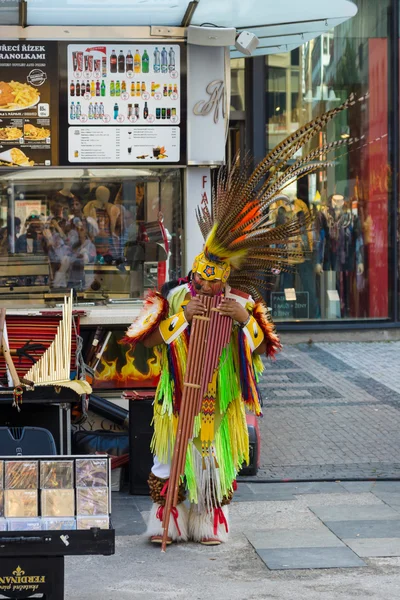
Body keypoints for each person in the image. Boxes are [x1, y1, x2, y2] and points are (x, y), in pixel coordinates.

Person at [123, 95, 359, 547]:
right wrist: (182, 319)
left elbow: (264, 346)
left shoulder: (240, 301)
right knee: (170, 458)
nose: (211, 288)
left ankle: (208, 523)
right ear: (197, 267)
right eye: (205, 279)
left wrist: (242, 319)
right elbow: (146, 341)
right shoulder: (174, 296)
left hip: (221, 389)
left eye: (218, 283)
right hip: (180, 392)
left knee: (214, 458)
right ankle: (166, 523)